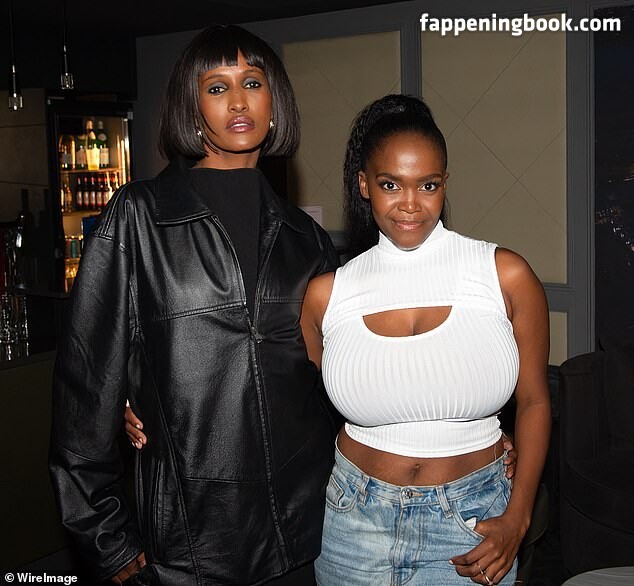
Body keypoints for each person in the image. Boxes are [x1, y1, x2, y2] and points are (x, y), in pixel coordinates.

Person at [48, 24, 340, 585]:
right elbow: (84, 388)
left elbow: (340, 379)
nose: (238, 101)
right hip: (190, 548)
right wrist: (106, 540)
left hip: (304, 532)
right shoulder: (139, 216)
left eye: (252, 82)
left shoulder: (305, 238)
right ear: (192, 105)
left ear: (274, 101)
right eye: (217, 87)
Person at [297, 94, 551, 585]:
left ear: (445, 184)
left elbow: (536, 401)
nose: (410, 204)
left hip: (472, 526)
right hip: (352, 525)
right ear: (364, 184)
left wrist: (518, 519)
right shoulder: (328, 295)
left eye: (428, 185)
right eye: (391, 184)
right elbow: (305, 408)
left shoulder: (505, 275)